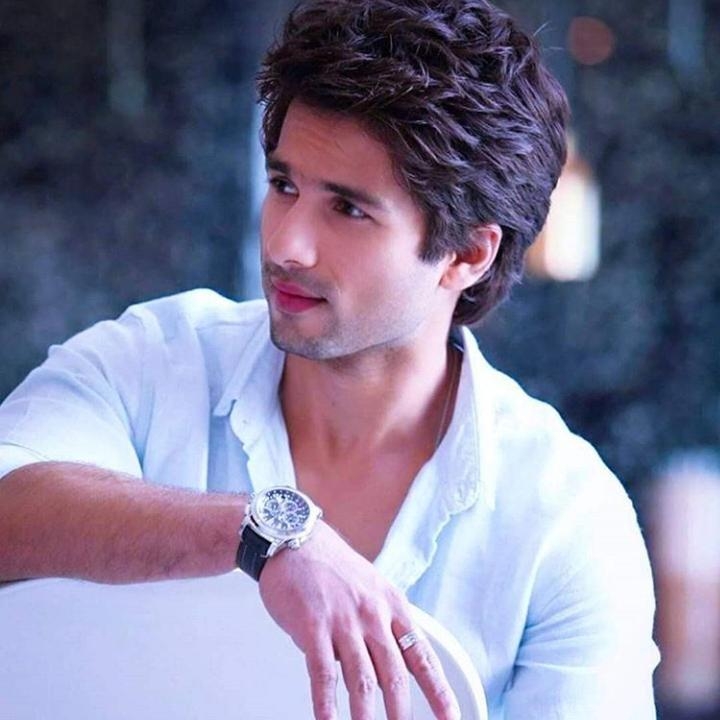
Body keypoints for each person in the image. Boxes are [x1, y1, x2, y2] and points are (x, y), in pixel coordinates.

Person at [0, 0, 658, 718]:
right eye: (284, 185)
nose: (287, 244)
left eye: (348, 209)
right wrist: (264, 536)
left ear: (468, 253)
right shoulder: (152, 363)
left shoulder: (567, 521)